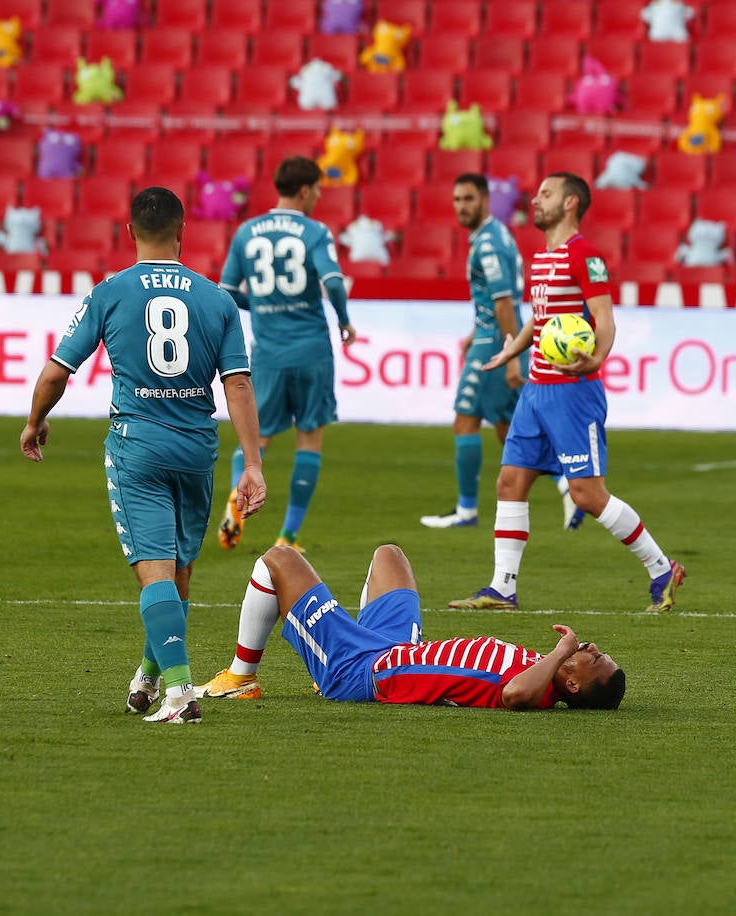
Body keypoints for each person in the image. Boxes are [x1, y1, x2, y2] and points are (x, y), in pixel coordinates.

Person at [20, 186, 268, 724]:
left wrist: (37, 421)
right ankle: (150, 676)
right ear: (183, 232)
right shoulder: (217, 298)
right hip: (196, 448)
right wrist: (252, 464)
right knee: (179, 573)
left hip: (139, 445)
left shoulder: (110, 292)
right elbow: (240, 385)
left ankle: (180, 695)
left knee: (155, 572)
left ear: (129, 232)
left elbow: (57, 372)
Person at [446, 172, 687, 614]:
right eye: (537, 193)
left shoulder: (586, 256)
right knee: (510, 481)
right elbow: (540, 320)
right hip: (536, 390)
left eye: (546, 194)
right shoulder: (542, 258)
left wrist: (597, 358)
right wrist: (511, 351)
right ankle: (503, 588)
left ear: (571, 203)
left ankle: (660, 568)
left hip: (572, 393)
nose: (535, 200)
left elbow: (604, 317)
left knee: (586, 494)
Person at [196, 544, 626, 710]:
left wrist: (560, 650)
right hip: (394, 647)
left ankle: (240, 677)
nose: (590, 647)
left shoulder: (538, 688)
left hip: (363, 670)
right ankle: (328, 652)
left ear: (573, 686)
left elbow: (513, 695)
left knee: (278, 560)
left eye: (595, 658)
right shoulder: (548, 674)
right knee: (390, 556)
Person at [419, 173, 582, 532]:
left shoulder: (489, 244)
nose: (462, 207)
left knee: (469, 421)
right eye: (457, 200)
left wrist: (509, 354)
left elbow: (504, 301)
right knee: (510, 431)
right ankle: (566, 485)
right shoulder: (492, 237)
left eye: (469, 199)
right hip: (490, 336)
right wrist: (474, 332)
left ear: (485, 200)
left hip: (496, 343)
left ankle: (466, 509)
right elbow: (494, 302)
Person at [215, 156, 356, 553]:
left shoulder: (246, 232)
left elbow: (226, 289)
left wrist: (258, 303)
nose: (318, 198)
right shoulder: (315, 230)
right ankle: (288, 537)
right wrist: (344, 320)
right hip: (311, 350)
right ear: (305, 190)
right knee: (309, 440)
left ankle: (233, 513)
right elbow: (333, 280)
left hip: (268, 354)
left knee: (255, 440)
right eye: (318, 191)